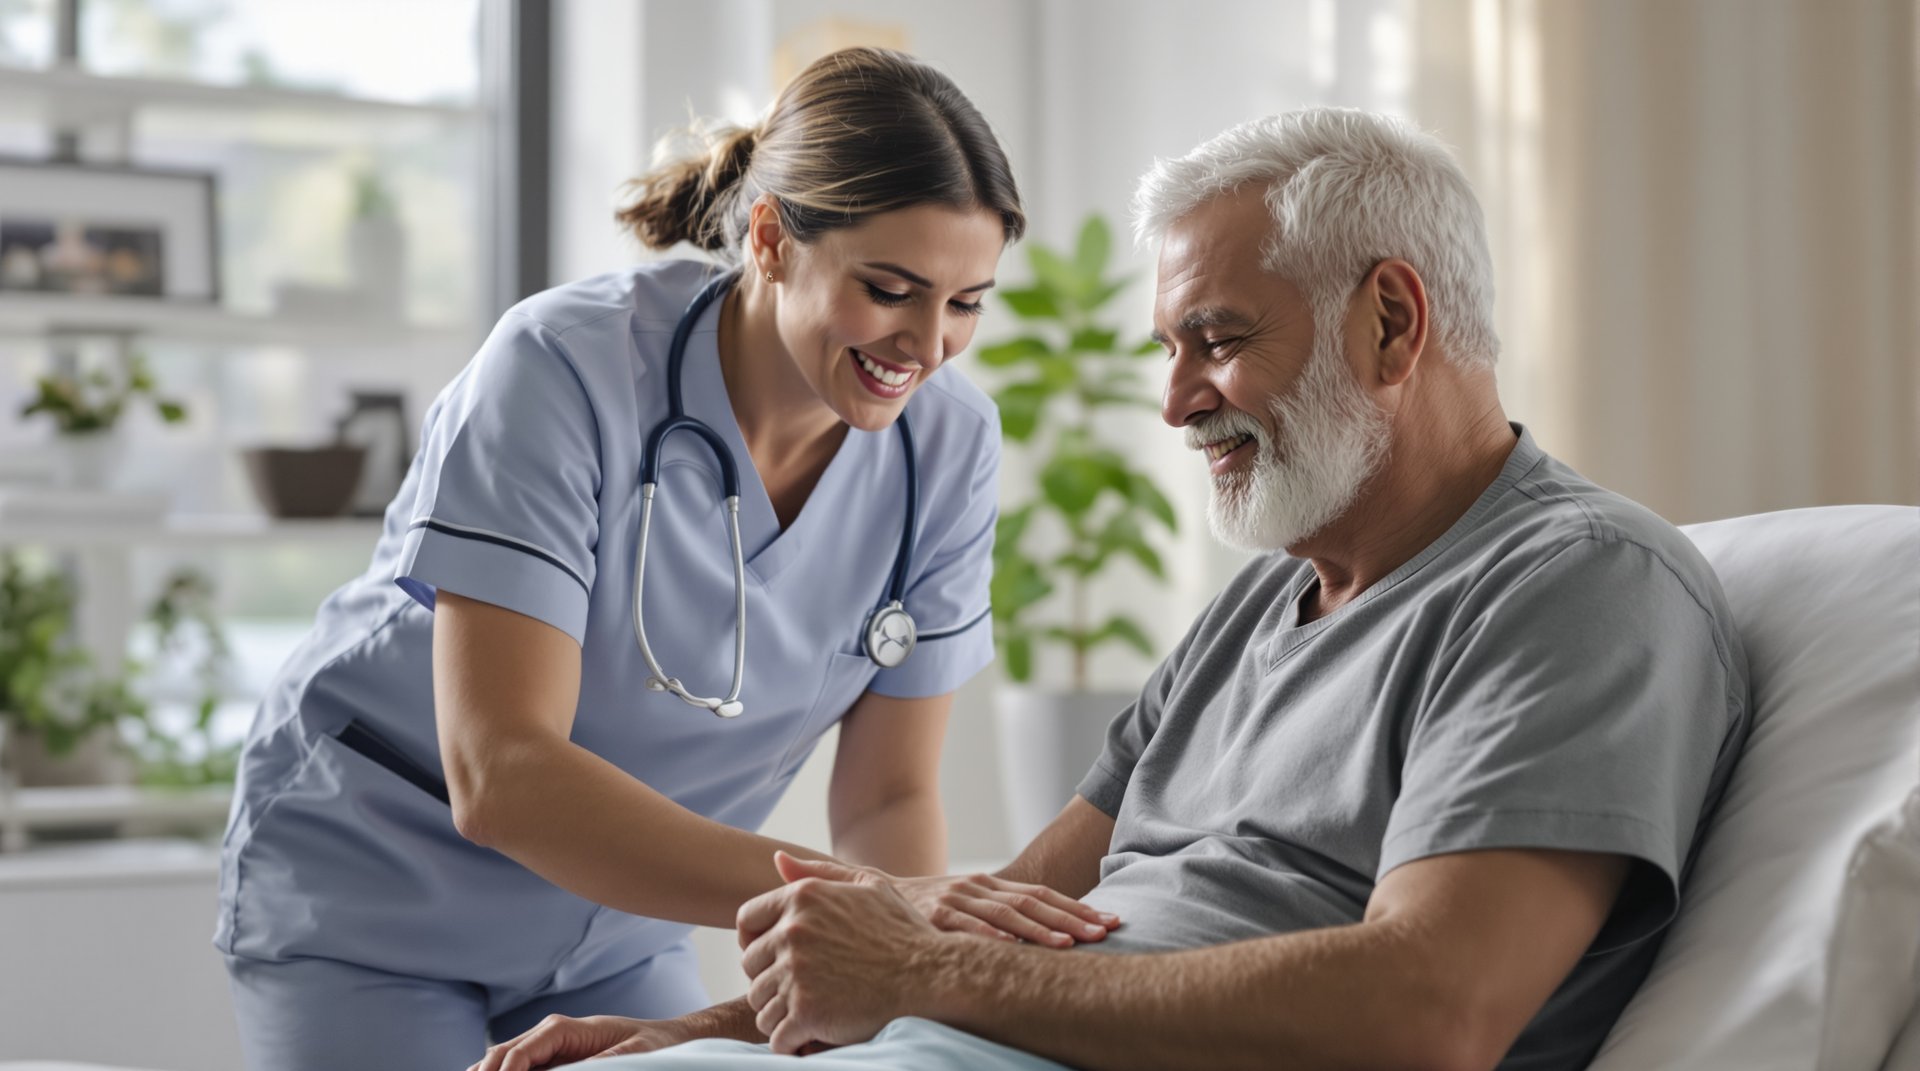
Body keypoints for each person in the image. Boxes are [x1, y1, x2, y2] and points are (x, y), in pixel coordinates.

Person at [475, 108, 1751, 1071]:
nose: (1177, 401)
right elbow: (992, 917)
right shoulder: (1259, 610)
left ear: (1392, 324)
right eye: (1172, 349)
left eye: (1222, 340)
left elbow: (1434, 1008)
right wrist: (697, 1034)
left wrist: (918, 977)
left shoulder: (1579, 584)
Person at [216, 47, 1117, 1071]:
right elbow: (503, 771)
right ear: (772, 238)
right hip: (378, 892)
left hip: (618, 925)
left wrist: (893, 986)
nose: (928, 343)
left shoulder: (947, 444)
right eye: (891, 289)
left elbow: (886, 799)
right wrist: (880, 903)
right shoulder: (563, 369)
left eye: (966, 303)